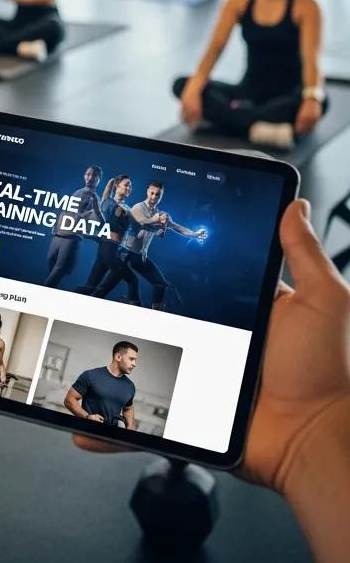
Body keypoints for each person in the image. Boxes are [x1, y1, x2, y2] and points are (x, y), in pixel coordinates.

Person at [74, 200, 350, 563]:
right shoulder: (136, 210)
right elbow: (140, 218)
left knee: (148, 286)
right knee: (118, 285)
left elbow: (177, 228)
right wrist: (314, 435)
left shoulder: (161, 217)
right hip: (124, 255)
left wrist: (316, 426)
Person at [174, 0, 327, 150]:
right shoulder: (239, 1)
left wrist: (312, 99)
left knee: (322, 101)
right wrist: (193, 89)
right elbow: (214, 49)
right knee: (182, 84)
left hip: (287, 97)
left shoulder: (306, 6)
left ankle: (231, 122)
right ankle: (257, 128)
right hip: (249, 92)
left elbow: (312, 59)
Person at [92, 180, 207, 311]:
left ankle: (154, 314)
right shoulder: (138, 208)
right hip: (125, 254)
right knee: (105, 288)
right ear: (147, 192)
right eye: (152, 193)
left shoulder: (160, 214)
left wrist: (194, 234)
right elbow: (142, 223)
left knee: (160, 284)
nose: (154, 197)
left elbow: (176, 227)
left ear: (161, 196)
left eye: (157, 194)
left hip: (140, 257)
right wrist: (157, 222)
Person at [74, 175, 141, 304]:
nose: (129, 188)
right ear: (117, 186)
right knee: (133, 280)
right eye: (126, 184)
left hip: (111, 250)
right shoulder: (110, 203)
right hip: (108, 249)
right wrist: (112, 181)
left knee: (89, 287)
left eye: (130, 186)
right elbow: (105, 199)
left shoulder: (127, 207)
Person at [44, 166, 105, 288]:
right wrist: (55, 227)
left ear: (99, 180)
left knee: (56, 274)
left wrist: (96, 210)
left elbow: (99, 222)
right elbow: (67, 211)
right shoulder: (78, 191)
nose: (90, 177)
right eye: (88, 174)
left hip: (71, 238)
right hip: (58, 235)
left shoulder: (96, 199)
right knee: (50, 267)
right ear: (84, 175)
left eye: (94, 176)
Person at [63, 341, 139, 429]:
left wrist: (129, 430)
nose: (134, 364)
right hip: (86, 430)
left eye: (135, 360)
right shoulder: (90, 375)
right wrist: (87, 417)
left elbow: (128, 408)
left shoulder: (130, 387)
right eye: (131, 359)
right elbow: (69, 400)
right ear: (118, 357)